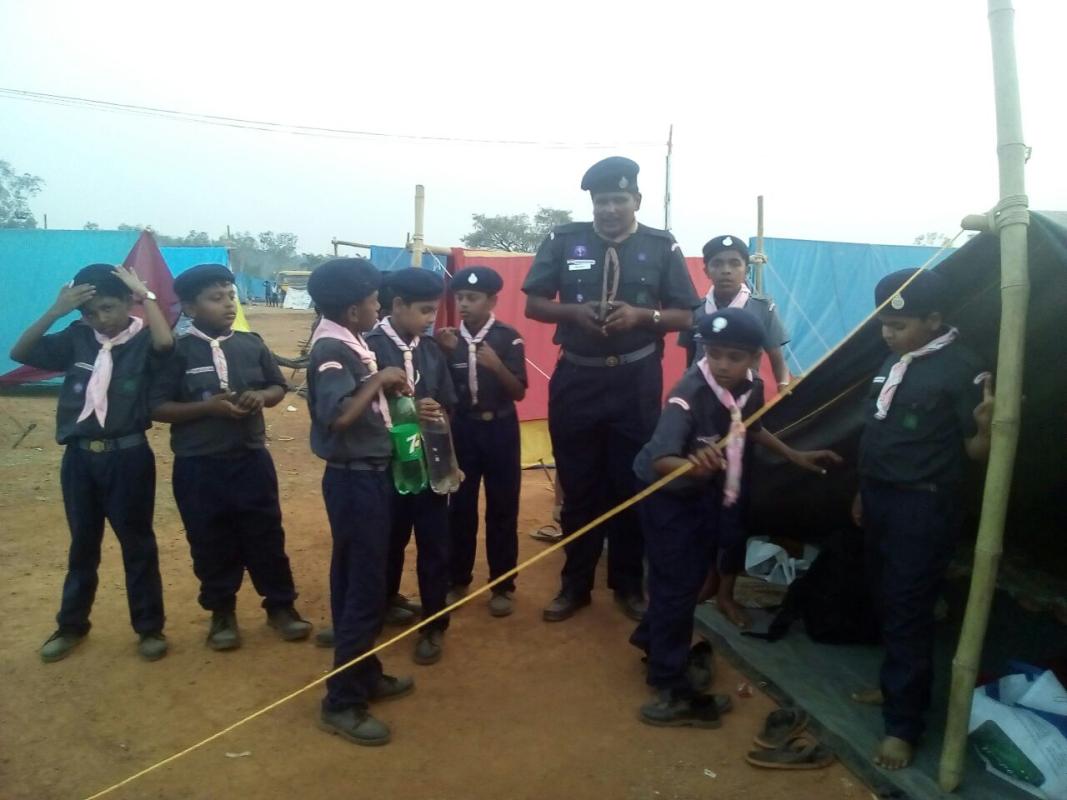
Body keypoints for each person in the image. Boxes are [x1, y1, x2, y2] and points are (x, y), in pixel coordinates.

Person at [631, 307, 840, 727]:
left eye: (735, 356)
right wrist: (693, 464)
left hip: (703, 490)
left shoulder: (751, 387)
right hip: (668, 496)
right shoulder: (686, 394)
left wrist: (794, 454)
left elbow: (752, 427)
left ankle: (655, 641)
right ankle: (670, 687)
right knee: (676, 583)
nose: (723, 364)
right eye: (714, 353)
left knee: (688, 580)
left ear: (755, 358)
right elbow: (660, 461)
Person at [523, 156, 699, 623]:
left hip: (636, 380)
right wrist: (573, 314)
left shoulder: (662, 247)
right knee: (578, 486)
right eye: (601, 201)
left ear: (636, 201)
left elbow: (689, 314)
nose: (609, 209)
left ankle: (627, 584)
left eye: (618, 200)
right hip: (577, 378)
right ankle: (574, 585)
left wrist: (645, 317)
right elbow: (535, 303)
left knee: (631, 483)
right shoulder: (564, 241)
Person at [850, 268, 993, 770]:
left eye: (901, 324)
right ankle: (894, 689)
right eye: (884, 324)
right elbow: (878, 433)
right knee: (886, 596)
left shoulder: (962, 369)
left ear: (934, 319)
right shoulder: (891, 362)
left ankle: (904, 726)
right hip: (881, 496)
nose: (888, 333)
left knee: (910, 606)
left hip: (924, 505)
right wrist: (864, 492)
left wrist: (985, 430)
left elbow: (977, 453)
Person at [9, 264, 173, 663]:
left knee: (137, 544)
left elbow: (167, 344)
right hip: (80, 459)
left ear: (126, 303)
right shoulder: (77, 337)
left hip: (128, 457)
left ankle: (149, 628)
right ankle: (71, 625)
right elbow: (20, 352)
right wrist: (55, 311)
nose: (102, 319)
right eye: (92, 312)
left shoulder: (143, 338)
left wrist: (145, 295)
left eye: (109, 308)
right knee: (83, 545)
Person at [150, 264, 312, 651]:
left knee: (266, 534)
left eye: (230, 296)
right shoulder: (176, 352)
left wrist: (263, 397)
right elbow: (156, 406)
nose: (227, 305)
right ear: (189, 307)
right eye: (215, 298)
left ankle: (281, 608)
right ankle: (222, 613)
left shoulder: (250, 344)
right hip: (199, 465)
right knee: (209, 539)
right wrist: (207, 410)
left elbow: (277, 386)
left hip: (250, 460)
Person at [306, 257, 415, 746]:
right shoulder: (333, 349)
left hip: (367, 475)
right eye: (374, 302)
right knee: (363, 588)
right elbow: (336, 416)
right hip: (355, 480)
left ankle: (365, 672)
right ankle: (342, 701)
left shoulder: (346, 340)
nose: (378, 308)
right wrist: (382, 378)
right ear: (354, 310)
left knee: (358, 579)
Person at [683, 235, 793, 628]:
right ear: (705, 268)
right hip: (701, 418)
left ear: (746, 269)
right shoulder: (696, 310)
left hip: (742, 416)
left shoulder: (761, 308)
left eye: (734, 263)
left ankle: (727, 591)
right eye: (718, 263)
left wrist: (782, 387)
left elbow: (777, 357)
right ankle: (708, 578)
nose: (726, 270)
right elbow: (688, 363)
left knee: (734, 509)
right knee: (700, 503)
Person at [367, 267, 457, 664]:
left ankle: (434, 623)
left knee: (435, 544)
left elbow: (446, 400)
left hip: (429, 464)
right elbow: (359, 408)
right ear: (397, 305)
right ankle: (381, 605)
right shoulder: (368, 348)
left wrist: (435, 410)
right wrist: (405, 409)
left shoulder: (431, 350)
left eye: (434, 311)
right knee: (388, 540)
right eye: (423, 310)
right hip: (384, 467)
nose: (429, 319)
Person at [435, 265, 528, 617]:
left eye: (472, 298)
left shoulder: (507, 338)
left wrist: (496, 365)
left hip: (501, 430)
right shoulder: (447, 339)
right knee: (460, 508)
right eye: (460, 298)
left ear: (492, 300)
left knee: (503, 508)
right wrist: (444, 354)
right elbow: (441, 389)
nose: (464, 305)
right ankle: (457, 580)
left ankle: (502, 585)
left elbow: (519, 391)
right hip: (464, 430)